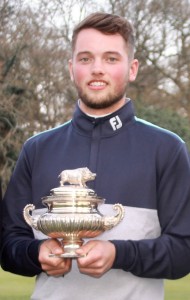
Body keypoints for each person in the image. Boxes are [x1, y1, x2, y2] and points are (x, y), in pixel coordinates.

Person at [1, 12, 190, 300]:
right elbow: (7, 244)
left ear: (132, 68)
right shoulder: (36, 148)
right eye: (85, 58)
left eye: (111, 58)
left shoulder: (166, 148)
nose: (97, 69)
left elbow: (184, 251)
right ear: (71, 67)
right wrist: (35, 252)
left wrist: (118, 253)